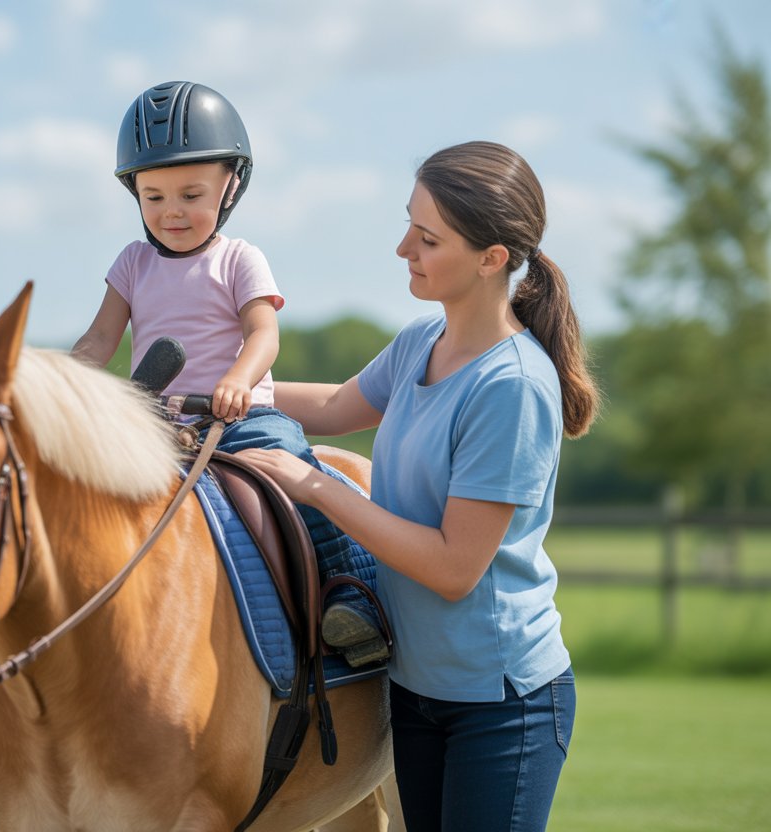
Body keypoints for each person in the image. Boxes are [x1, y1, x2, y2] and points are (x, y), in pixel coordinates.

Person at [235, 140, 598, 831]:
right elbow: (338, 406)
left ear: (493, 258)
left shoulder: (511, 387)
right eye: (409, 224)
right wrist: (224, 390)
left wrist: (317, 487)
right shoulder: (417, 345)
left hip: (502, 706)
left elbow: (454, 568)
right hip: (412, 692)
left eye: (428, 237)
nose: (405, 247)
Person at [72, 80, 388, 665]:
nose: (172, 212)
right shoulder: (132, 263)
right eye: (154, 197)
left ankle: (350, 592)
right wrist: (62, 385)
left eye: (191, 194)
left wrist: (239, 381)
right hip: (156, 426)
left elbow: (263, 332)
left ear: (231, 186)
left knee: (293, 472)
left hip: (239, 417)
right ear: (134, 196)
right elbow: (98, 339)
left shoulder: (239, 258)